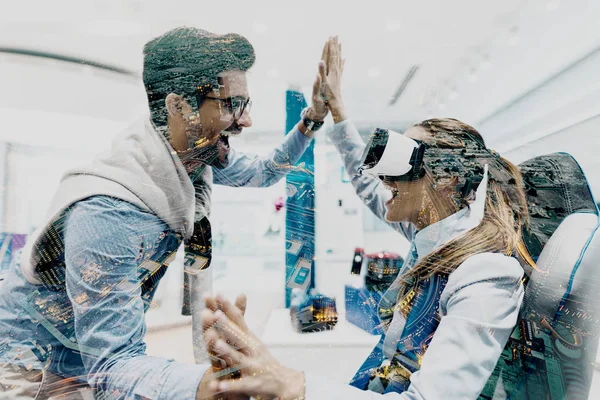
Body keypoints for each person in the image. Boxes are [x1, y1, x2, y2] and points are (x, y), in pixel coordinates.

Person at [0, 27, 329, 399]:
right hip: (27, 367)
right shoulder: (108, 216)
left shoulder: (192, 157)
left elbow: (261, 172)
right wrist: (210, 386)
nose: (246, 121)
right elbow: (112, 366)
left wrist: (312, 119)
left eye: (245, 104)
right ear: (178, 107)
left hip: (81, 358)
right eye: (229, 104)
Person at [201, 36, 534, 399]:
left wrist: (295, 385)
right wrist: (336, 110)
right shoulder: (432, 232)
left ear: (447, 177)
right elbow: (363, 180)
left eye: (403, 160)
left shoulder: (484, 274)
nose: (382, 177)